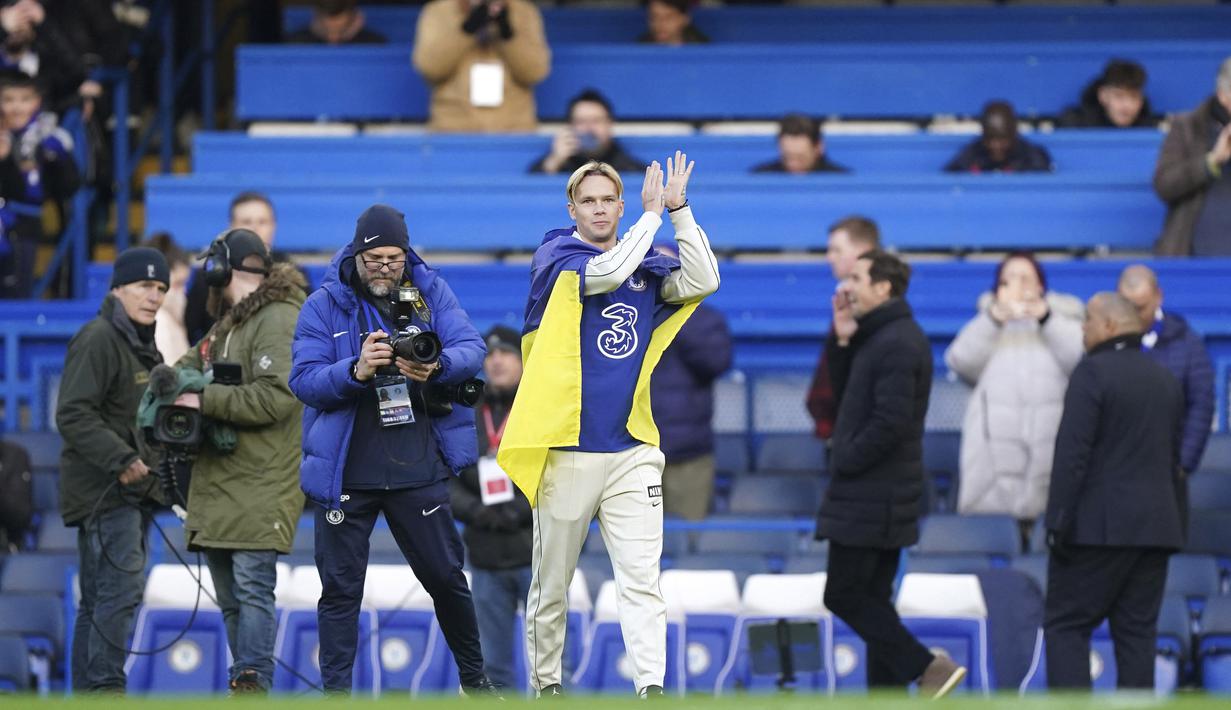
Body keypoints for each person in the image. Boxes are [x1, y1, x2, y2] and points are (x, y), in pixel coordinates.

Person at [497, 153, 720, 698]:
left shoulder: (646, 263)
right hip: (566, 447)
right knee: (552, 585)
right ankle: (547, 685)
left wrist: (679, 210)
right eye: (588, 201)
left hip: (630, 450)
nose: (598, 209)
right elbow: (608, 272)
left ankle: (652, 689)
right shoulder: (557, 254)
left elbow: (704, 279)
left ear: (620, 206)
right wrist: (651, 218)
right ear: (571, 210)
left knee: (642, 578)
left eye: (607, 200)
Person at [289, 204, 497, 696]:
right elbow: (303, 380)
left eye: (394, 258)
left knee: (446, 577)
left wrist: (436, 366)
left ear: (407, 254)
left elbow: (472, 347)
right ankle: (336, 696)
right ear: (356, 254)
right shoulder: (323, 304)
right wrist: (355, 370)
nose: (385, 268)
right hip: (347, 470)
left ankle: (476, 682)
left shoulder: (430, 291)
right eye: (375, 258)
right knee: (340, 590)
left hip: (416, 462)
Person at [816, 250, 967, 697]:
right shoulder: (877, 336)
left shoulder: (898, 341)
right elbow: (846, 397)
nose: (847, 286)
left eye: (857, 278)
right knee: (874, 601)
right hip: (876, 493)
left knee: (843, 594)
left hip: (874, 495)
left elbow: (890, 422)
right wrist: (843, 340)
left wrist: (844, 457)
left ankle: (928, 667)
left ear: (883, 287)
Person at [171, 229, 307, 694]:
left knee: (251, 590)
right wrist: (173, 385)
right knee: (231, 598)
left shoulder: (279, 317)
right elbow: (184, 369)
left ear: (220, 267)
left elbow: (277, 398)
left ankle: (252, 683)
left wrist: (202, 397)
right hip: (221, 482)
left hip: (262, 481)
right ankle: (244, 683)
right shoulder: (229, 323)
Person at [1043, 292, 1185, 691]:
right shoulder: (1165, 378)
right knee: (1137, 635)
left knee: (1066, 626)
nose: (1082, 329)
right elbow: (1174, 460)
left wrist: (1057, 522)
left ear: (1108, 326)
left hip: (1096, 531)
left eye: (1087, 320)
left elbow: (1072, 454)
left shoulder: (1092, 373)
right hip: (1156, 530)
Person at [56, 247, 169, 692]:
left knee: (98, 599)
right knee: (119, 592)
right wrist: (121, 459)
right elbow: (72, 413)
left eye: (160, 288)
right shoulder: (99, 338)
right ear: (118, 289)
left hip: (128, 493)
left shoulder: (138, 342)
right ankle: (106, 691)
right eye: (144, 286)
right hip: (105, 491)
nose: (154, 296)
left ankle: (90, 693)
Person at [944, 253, 1083, 547]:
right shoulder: (985, 324)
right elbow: (960, 361)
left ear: (1041, 286)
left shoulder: (1064, 321)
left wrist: (1046, 318)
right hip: (992, 465)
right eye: (1009, 280)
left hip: (1049, 457)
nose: (1019, 287)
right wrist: (994, 318)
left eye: (1026, 279)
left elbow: (1082, 362)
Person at [448, 324, 533, 690]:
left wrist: (522, 508)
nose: (497, 361)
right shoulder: (466, 410)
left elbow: (559, 471)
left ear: (523, 359)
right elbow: (447, 475)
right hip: (485, 553)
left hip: (538, 552)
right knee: (492, 669)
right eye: (490, 354)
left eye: (506, 353)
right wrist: (475, 510)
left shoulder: (541, 406)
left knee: (552, 663)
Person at [650, 242, 732, 521]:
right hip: (632, 454)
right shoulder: (626, 318)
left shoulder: (703, 319)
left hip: (687, 455)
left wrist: (679, 313)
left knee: (690, 535)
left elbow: (716, 362)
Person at [1117, 264, 1215, 475]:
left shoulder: (1187, 343)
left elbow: (1201, 404)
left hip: (1168, 469)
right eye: (1127, 307)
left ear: (1158, 297)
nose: (1134, 315)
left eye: (1141, 308)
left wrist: (1184, 462)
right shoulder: (1106, 343)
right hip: (1115, 471)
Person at [412, 0, 550, 133]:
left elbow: (535, 72)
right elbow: (430, 68)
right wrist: (467, 29)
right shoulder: (437, 11)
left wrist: (507, 34)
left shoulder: (525, 11)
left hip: (514, 130)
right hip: (453, 129)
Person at [0, 70, 79, 298]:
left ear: (37, 102)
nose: (16, 107)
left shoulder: (49, 137)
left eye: (24, 99)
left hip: (24, 228)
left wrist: (57, 159)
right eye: (8, 100)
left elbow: (70, 186)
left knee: (16, 298)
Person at [185, 191, 301, 344]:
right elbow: (189, 332)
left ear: (273, 226)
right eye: (246, 222)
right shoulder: (210, 276)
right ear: (231, 226)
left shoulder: (294, 276)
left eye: (262, 222)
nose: (255, 228)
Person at [805, 216, 879, 441]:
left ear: (863, 252)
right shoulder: (846, 302)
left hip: (859, 439)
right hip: (842, 434)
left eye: (837, 250)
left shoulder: (873, 311)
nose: (829, 257)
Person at [1153, 56, 1231, 256]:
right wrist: (1211, 160)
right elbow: (1164, 185)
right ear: (1223, 96)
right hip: (1196, 251)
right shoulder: (1188, 127)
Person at [530, 89, 642, 175]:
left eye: (596, 121)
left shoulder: (628, 167)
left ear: (610, 125)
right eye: (581, 121)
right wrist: (554, 161)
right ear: (570, 127)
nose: (589, 128)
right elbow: (531, 190)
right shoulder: (559, 163)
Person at [944, 101, 1053, 174]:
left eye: (1002, 140)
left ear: (1013, 135)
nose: (996, 146)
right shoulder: (972, 155)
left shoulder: (1031, 157)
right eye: (990, 140)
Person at [1058, 59, 1156, 129]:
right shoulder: (1075, 125)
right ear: (1103, 96)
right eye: (1119, 96)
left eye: (1134, 97)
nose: (1127, 105)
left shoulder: (1152, 128)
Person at [143, 233, 191, 365]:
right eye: (178, 284)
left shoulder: (171, 320)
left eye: (184, 284)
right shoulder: (160, 323)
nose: (183, 292)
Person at [752, 114, 848, 174]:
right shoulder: (761, 178)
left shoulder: (841, 182)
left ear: (819, 148)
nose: (793, 165)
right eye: (787, 157)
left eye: (801, 158)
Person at [284, 0, 387, 45]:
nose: (333, 39)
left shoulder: (375, 47)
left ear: (357, 21)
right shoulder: (294, 46)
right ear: (315, 19)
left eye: (342, 31)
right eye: (326, 30)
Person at [639, 0, 708, 46]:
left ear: (685, 19)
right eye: (654, 17)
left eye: (669, 17)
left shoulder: (702, 47)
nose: (660, 23)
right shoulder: (640, 47)